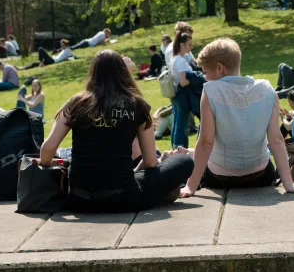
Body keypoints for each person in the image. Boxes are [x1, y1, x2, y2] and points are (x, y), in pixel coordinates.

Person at [38, 50, 193, 212]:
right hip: (123, 197)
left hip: (79, 199)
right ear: (123, 74)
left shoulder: (76, 103)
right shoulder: (137, 105)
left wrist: (48, 166)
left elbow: (47, 148)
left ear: (93, 73)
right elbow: (150, 162)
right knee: (184, 161)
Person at [178, 38, 294, 196]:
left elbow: (205, 142)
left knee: (203, 132)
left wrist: (190, 186)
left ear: (219, 68)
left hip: (219, 178)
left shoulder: (211, 90)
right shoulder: (267, 89)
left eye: (206, 72)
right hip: (260, 176)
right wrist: (289, 184)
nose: (205, 78)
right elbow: (276, 140)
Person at [169, 32, 203, 149]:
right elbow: (183, 82)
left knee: (177, 123)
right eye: (189, 45)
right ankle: (178, 148)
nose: (191, 47)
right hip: (183, 96)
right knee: (181, 125)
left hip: (176, 95)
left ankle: (175, 147)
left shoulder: (174, 58)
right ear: (182, 45)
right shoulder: (181, 61)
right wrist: (196, 79)